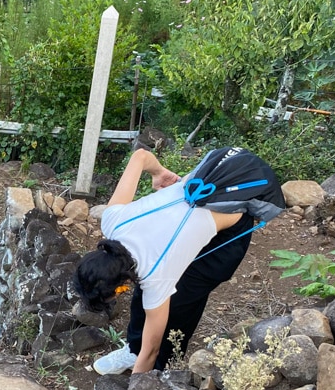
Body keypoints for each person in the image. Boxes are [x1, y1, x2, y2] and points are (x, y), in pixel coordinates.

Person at [73, 147, 281, 375]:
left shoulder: (155, 274)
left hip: (229, 230)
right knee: (148, 295)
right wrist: (158, 172)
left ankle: (167, 368)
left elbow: (150, 351)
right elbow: (140, 156)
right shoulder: (112, 222)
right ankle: (133, 349)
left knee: (181, 302)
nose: (121, 292)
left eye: (119, 289)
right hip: (192, 217)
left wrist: (138, 388)